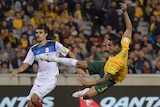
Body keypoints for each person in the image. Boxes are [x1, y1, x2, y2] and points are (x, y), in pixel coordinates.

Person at [40, 2, 132, 100]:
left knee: (86, 96)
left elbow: (104, 79)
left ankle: (86, 90)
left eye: (110, 45)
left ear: (117, 47)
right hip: (105, 65)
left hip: (110, 78)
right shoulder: (124, 45)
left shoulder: (117, 63)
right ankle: (53, 59)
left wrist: (87, 83)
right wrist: (125, 12)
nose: (107, 47)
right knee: (79, 64)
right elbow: (129, 28)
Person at [9, 24, 85, 107]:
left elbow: (69, 53)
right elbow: (25, 65)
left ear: (46, 34)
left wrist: (77, 67)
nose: (38, 35)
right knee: (30, 104)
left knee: (34, 99)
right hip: (39, 80)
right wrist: (16, 71)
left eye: (41, 32)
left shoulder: (54, 44)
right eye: (37, 33)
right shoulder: (33, 49)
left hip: (50, 79)